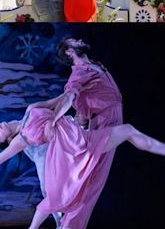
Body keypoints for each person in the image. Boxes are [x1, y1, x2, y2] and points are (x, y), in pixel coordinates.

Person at [0, 107, 165, 229]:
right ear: (7, 141)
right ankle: (60, 222)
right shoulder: (20, 141)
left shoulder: (27, 114)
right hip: (53, 161)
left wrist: (75, 111)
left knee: (127, 130)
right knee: (53, 199)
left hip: (76, 145)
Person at [24, 37, 123, 228]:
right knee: (89, 184)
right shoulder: (77, 73)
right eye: (73, 42)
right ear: (69, 52)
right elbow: (70, 96)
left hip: (109, 117)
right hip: (103, 122)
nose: (79, 40)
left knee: (92, 184)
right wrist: (53, 120)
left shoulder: (95, 65)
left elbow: (81, 109)